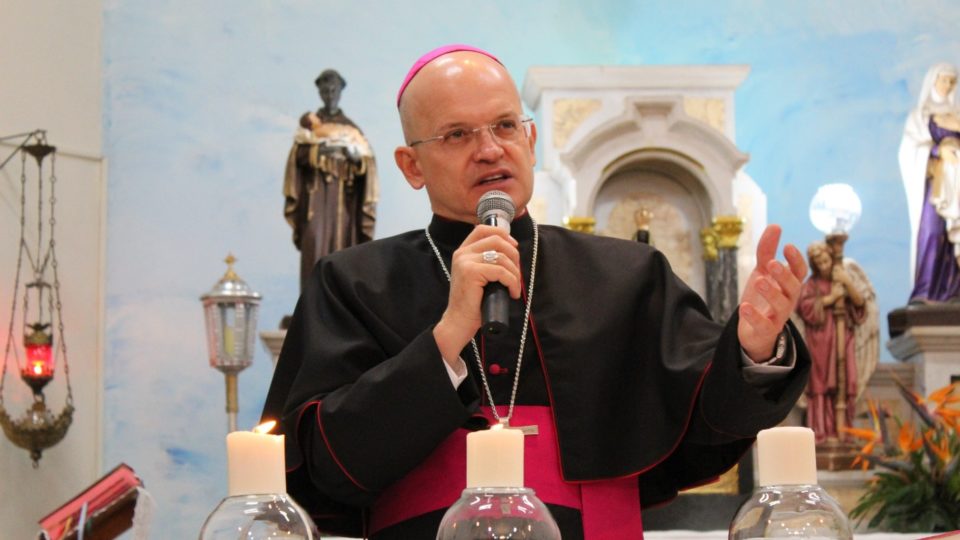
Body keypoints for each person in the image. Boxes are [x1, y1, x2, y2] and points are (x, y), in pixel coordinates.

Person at [263, 45, 811, 540]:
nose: (488, 149)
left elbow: (705, 419)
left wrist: (753, 348)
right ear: (411, 166)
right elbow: (324, 465)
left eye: (504, 126)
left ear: (529, 140)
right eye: (457, 134)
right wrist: (447, 337)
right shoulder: (351, 281)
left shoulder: (629, 274)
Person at [283, 69, 379, 292]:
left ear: (340, 91)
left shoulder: (351, 128)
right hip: (315, 199)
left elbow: (366, 163)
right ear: (319, 92)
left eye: (333, 89)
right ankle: (312, 306)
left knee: (345, 248)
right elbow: (297, 159)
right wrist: (319, 150)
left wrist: (357, 160)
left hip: (345, 201)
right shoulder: (309, 128)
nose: (329, 94)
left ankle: (344, 307)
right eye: (325, 90)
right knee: (314, 242)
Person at [899, 63, 960, 303]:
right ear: (932, 82)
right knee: (932, 232)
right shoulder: (920, 117)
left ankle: (955, 291)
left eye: (951, 82)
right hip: (934, 188)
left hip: (958, 187)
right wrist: (937, 151)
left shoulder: (957, 115)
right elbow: (909, 150)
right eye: (943, 80)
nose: (947, 86)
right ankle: (927, 290)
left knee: (955, 237)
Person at [795, 241, 867, 444]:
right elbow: (805, 307)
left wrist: (847, 283)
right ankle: (821, 432)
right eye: (819, 263)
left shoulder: (842, 279)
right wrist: (830, 298)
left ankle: (845, 429)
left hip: (843, 339)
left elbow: (860, 308)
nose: (824, 265)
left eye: (826, 260)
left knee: (847, 381)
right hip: (820, 341)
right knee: (820, 384)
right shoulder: (811, 285)